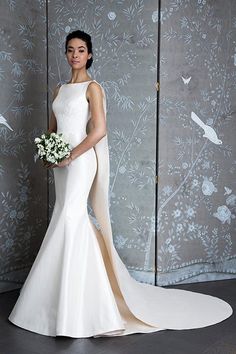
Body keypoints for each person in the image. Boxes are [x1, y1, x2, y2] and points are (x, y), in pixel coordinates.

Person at [8, 30, 233, 338]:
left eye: (81, 50)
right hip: (60, 163)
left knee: (71, 218)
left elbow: (99, 130)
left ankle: (81, 306)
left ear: (89, 55)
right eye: (70, 50)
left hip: (80, 162)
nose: (75, 54)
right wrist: (48, 151)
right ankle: (64, 300)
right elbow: (51, 128)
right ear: (66, 54)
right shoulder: (59, 89)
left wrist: (69, 156)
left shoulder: (93, 88)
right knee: (65, 217)